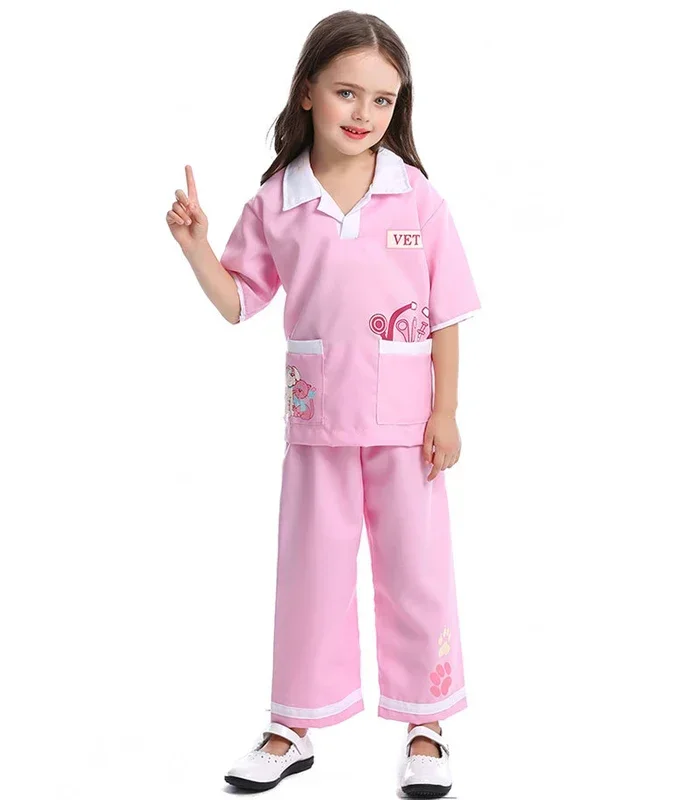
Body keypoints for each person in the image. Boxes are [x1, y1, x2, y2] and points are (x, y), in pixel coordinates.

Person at [166, 10, 481, 797]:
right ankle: (293, 725)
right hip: (318, 422)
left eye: (382, 100)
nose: (363, 113)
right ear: (307, 90)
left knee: (417, 571)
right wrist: (197, 247)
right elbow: (240, 302)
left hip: (408, 427)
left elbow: (446, 312)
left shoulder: (417, 198)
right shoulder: (278, 201)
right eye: (347, 92)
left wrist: (446, 412)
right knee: (310, 573)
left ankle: (426, 723)